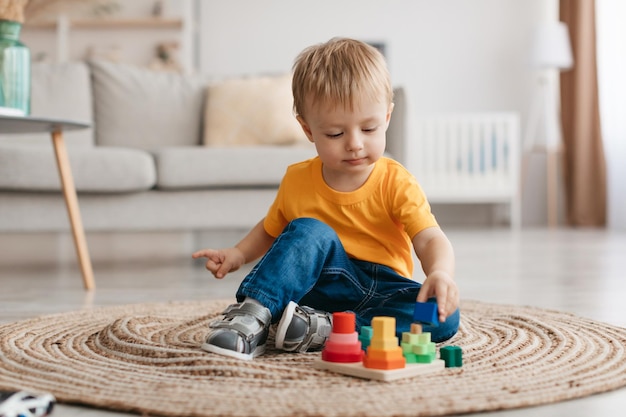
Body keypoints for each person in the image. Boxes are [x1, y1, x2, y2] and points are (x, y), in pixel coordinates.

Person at [192, 37, 460, 361]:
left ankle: (328, 330)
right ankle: (252, 316)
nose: (355, 144)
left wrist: (440, 273)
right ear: (308, 130)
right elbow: (270, 229)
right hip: (318, 287)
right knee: (309, 230)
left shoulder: (396, 180)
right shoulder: (297, 179)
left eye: (369, 128)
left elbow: (429, 237)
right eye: (336, 134)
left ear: (387, 117)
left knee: (445, 318)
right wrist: (237, 253)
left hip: (382, 290)